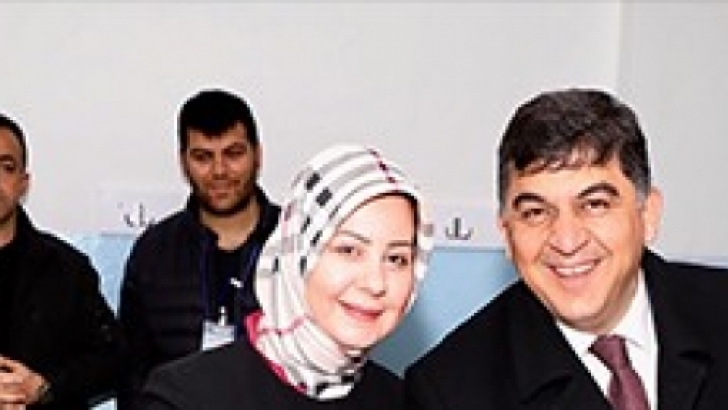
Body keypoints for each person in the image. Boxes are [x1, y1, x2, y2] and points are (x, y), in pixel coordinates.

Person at [404, 88, 728, 410]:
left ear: (648, 215)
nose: (567, 241)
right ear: (506, 233)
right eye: (535, 213)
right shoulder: (450, 390)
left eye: (594, 205)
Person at [134, 144, 434, 410]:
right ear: (297, 256)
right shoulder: (185, 397)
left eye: (396, 259)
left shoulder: (402, 400)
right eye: (349, 250)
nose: (376, 283)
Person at [117, 89, 281, 409]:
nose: (219, 171)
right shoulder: (153, 253)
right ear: (183, 163)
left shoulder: (298, 244)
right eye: (203, 157)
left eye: (233, 153)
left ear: (257, 155)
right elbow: (132, 372)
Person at [0, 112, 125, 410]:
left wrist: (46, 387)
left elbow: (113, 358)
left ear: (23, 183)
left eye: (6, 167)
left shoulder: (67, 270)